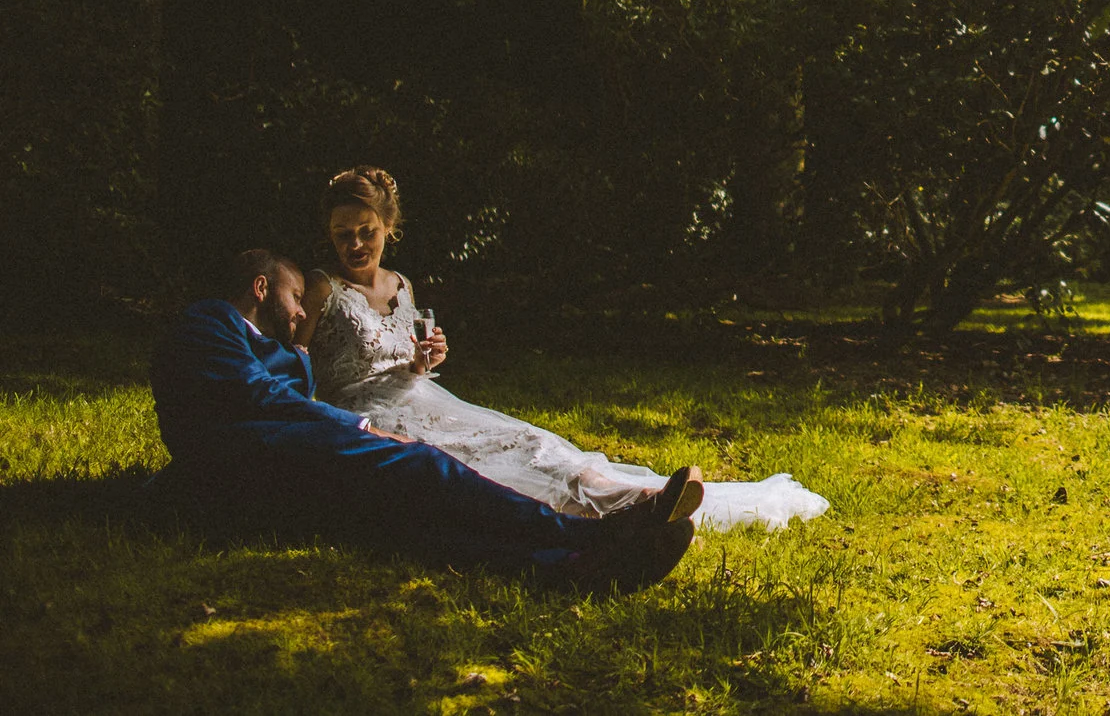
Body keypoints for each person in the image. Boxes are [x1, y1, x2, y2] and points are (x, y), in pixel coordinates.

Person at [299, 167, 827, 530]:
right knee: (478, 467)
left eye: (366, 230)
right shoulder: (323, 287)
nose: (355, 244)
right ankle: (634, 507)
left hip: (424, 399)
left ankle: (642, 498)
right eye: (342, 233)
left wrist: (427, 358)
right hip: (362, 414)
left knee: (530, 442)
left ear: (388, 228)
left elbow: (410, 359)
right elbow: (294, 364)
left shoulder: (401, 285)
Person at [151, 248, 701, 589]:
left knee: (409, 524)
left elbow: (285, 393)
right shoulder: (208, 321)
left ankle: (572, 565)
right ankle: (588, 534)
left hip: (288, 467)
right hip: (256, 466)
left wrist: (300, 356)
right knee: (427, 469)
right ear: (260, 287)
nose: (301, 312)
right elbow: (259, 397)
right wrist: (358, 427)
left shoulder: (275, 346)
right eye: (296, 297)